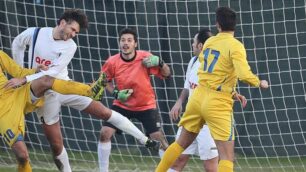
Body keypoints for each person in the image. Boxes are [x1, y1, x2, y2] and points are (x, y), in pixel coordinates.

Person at [11, 9, 158, 172]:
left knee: (103, 112)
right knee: (56, 145)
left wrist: (24, 77)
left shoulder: (70, 46)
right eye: (72, 29)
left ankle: (144, 140)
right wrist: (21, 72)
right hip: (44, 96)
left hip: (65, 88)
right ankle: (90, 90)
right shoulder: (35, 33)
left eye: (76, 32)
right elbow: (17, 42)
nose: (74, 34)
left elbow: (53, 72)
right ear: (62, 23)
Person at [156, 7, 269, 172]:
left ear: (218, 25)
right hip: (217, 102)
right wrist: (259, 82)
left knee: (179, 144)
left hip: (198, 97)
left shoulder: (209, 42)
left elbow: (208, 68)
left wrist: (232, 91)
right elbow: (244, 74)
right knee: (226, 158)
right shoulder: (235, 46)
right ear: (234, 25)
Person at [168, 29, 247, 172]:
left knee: (210, 166)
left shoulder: (216, 64)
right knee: (177, 161)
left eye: (194, 42)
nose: (192, 45)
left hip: (208, 122)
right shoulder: (193, 61)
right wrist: (179, 102)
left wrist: (234, 93)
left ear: (200, 46)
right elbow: (188, 86)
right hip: (192, 115)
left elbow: (221, 87)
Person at [97, 28, 171, 172]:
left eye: (129, 40)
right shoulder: (112, 61)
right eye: (123, 40)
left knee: (159, 138)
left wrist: (161, 63)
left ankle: (170, 170)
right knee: (104, 133)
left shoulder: (145, 58)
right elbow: (104, 81)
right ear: (119, 43)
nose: (126, 43)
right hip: (122, 105)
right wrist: (117, 94)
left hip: (146, 105)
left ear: (135, 44)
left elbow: (167, 75)